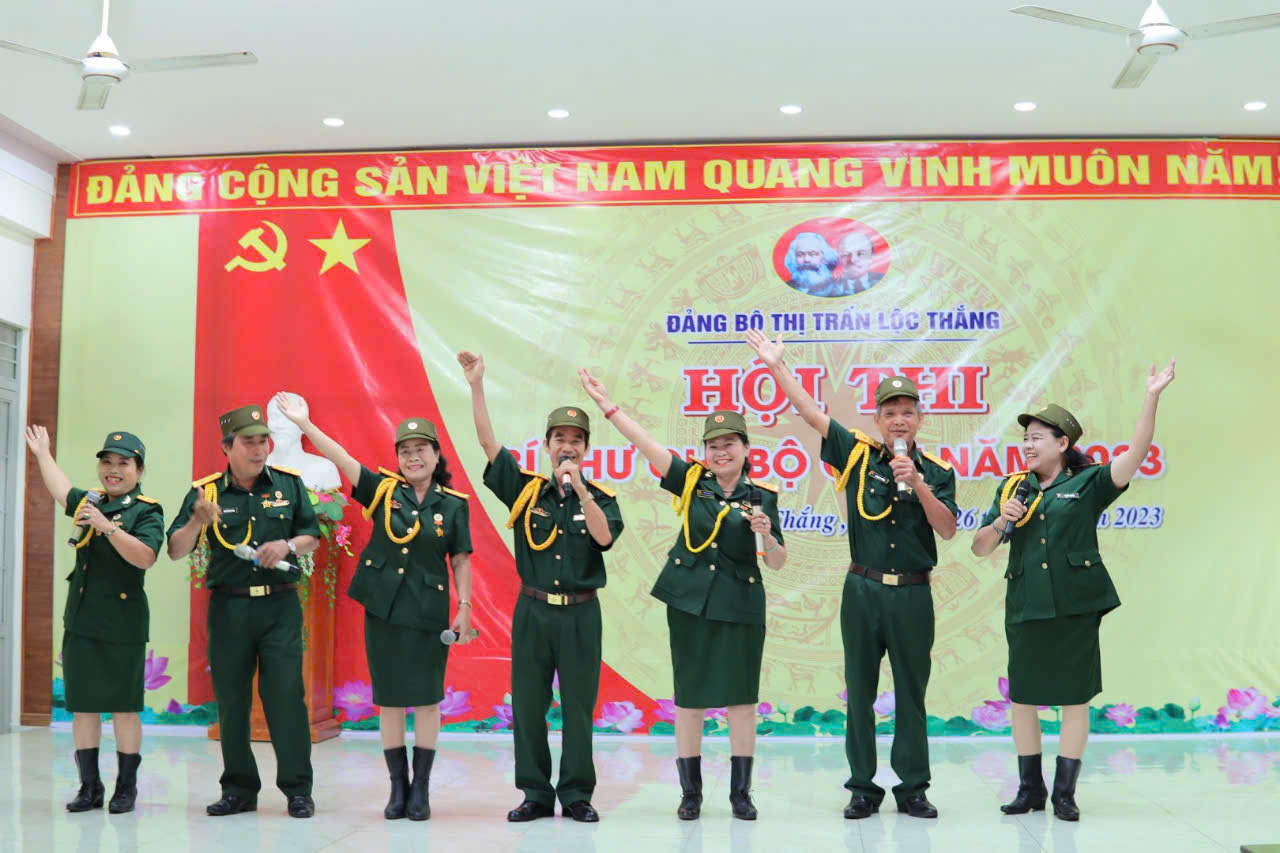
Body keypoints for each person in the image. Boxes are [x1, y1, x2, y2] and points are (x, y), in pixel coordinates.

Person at [745, 330, 957, 820]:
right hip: (863, 590)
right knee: (859, 692)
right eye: (890, 411)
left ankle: (913, 788)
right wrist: (776, 366)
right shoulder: (857, 455)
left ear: (920, 419)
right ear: (877, 419)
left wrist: (918, 484)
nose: (899, 419)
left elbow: (947, 529)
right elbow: (810, 412)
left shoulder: (938, 470)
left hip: (913, 593)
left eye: (908, 411)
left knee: (912, 694)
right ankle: (863, 787)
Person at [971, 359, 1175, 821]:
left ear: (1062, 444)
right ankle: (1030, 789)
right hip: (1026, 605)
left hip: (1075, 606)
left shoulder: (1090, 482)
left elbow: (1137, 452)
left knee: (1074, 699)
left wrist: (1151, 396)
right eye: (1025, 438)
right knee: (1023, 698)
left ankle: (1065, 794)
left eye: (1037, 437)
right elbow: (980, 548)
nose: (1027, 445)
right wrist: (1003, 520)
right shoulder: (1012, 488)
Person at [579, 368, 786, 821]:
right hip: (691, 603)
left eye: (729, 443)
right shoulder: (692, 481)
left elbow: (776, 562)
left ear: (746, 449)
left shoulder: (763, 497)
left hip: (741, 606)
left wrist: (767, 535)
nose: (721, 451)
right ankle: (690, 794)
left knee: (741, 701)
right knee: (690, 699)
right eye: (713, 445)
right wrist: (608, 406)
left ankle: (741, 794)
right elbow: (646, 444)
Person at [270, 392, 474, 821]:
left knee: (428, 701)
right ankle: (398, 789)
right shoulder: (383, 490)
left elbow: (459, 558)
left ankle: (421, 789)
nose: (413, 457)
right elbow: (342, 458)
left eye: (421, 449)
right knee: (391, 700)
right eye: (405, 451)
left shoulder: (453, 506)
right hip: (384, 610)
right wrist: (305, 424)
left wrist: (465, 606)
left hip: (428, 612)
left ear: (437, 455)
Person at [457, 351, 624, 823]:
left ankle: (576, 795)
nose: (567, 447)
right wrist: (476, 385)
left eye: (576, 440)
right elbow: (488, 445)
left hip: (581, 614)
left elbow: (604, 538)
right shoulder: (527, 491)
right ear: (547, 445)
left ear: (586, 449)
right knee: (529, 707)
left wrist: (582, 491)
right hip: (533, 612)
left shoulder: (602, 499)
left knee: (578, 708)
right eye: (559, 439)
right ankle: (534, 793)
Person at [165, 405, 321, 819]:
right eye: (248, 442)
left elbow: (312, 535)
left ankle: (297, 790)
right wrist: (196, 522)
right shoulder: (206, 494)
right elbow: (176, 550)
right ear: (227, 447)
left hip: (279, 605)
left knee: (286, 697)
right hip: (229, 608)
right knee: (232, 701)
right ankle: (238, 789)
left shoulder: (288, 485)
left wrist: (288, 546)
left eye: (263, 440)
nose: (258, 449)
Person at [25, 427, 163, 814]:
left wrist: (108, 527)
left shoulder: (146, 510)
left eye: (123, 463)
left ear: (139, 470)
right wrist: (43, 453)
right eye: (107, 462)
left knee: (124, 708)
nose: (113, 470)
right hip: (82, 620)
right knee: (83, 707)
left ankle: (126, 788)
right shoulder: (91, 501)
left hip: (123, 624)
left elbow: (146, 557)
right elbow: (61, 490)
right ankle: (90, 787)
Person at [825, 231, 884, 297]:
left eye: (861, 254)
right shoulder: (827, 288)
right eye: (845, 254)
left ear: (872, 257)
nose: (853, 260)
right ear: (839, 259)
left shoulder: (886, 281)